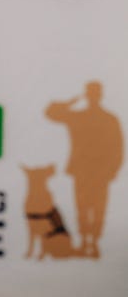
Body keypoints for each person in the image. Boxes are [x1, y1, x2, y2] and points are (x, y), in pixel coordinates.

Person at [45, 81, 123, 258]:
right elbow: (49, 113)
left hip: (97, 172)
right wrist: (68, 104)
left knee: (93, 207)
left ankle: (92, 243)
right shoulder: (85, 117)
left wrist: (112, 171)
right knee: (87, 207)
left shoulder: (106, 119)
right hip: (85, 171)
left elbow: (118, 147)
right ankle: (88, 242)